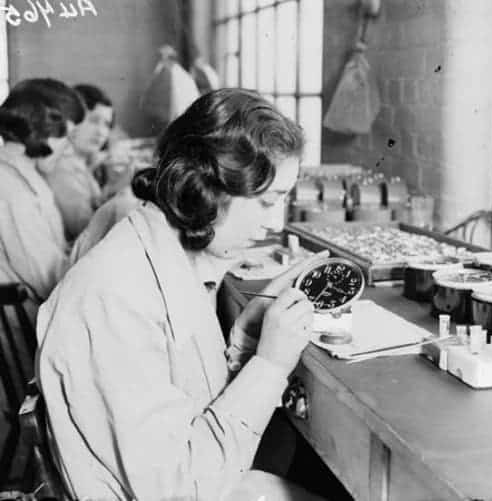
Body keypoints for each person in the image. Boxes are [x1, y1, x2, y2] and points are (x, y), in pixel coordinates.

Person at [37, 88, 327, 500]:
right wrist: (270, 364)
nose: (275, 223)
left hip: (183, 476)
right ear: (206, 188)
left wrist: (241, 349)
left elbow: (182, 396)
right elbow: (179, 488)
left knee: (291, 449)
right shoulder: (116, 296)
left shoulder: (161, 254)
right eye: (267, 202)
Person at [0, 79, 85, 320]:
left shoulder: (22, 173)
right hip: (27, 329)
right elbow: (48, 280)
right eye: (66, 138)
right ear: (41, 130)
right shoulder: (11, 187)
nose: (68, 149)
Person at [43, 83, 111, 240]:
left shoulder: (79, 161)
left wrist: (113, 187)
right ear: (72, 120)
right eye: (94, 120)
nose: (101, 132)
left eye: (107, 124)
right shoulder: (62, 167)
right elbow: (87, 231)